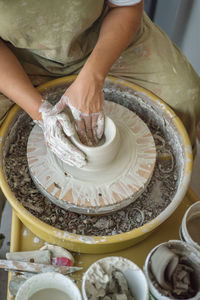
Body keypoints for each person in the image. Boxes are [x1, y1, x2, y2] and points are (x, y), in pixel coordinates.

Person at [0, 0, 200, 244]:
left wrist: (93, 76)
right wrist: (39, 110)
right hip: (18, 60)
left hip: (103, 38)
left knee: (183, 95)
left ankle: (165, 186)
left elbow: (125, 8)